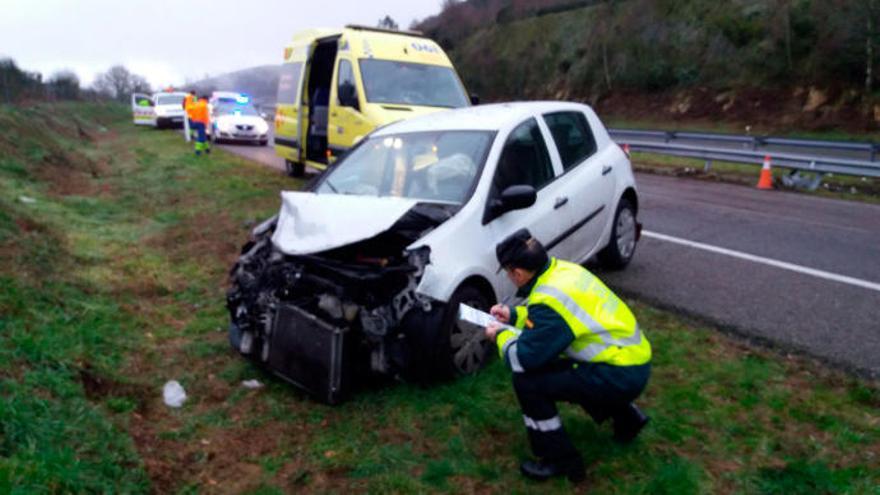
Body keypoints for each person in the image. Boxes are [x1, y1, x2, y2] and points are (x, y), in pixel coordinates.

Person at [485, 229, 652, 483]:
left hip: (619, 374)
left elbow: (524, 359)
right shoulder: (562, 272)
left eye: (509, 273)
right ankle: (628, 419)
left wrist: (499, 336)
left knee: (529, 383)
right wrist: (513, 315)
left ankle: (560, 460)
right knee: (566, 372)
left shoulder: (549, 301)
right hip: (633, 359)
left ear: (516, 273)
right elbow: (550, 319)